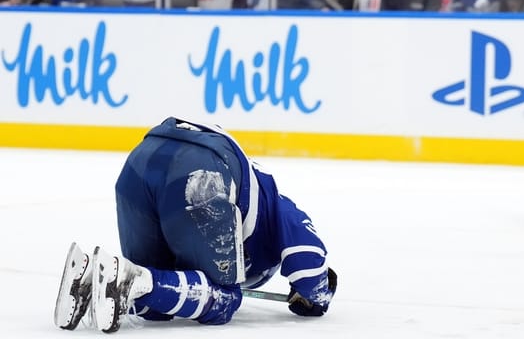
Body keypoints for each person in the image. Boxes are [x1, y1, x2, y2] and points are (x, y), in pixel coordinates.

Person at [54, 116, 337, 333]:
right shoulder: (282, 208)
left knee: (156, 304)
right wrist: (318, 297)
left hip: (139, 162)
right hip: (201, 173)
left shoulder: (259, 204)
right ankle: (133, 281)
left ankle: (88, 279)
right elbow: (311, 267)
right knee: (225, 298)